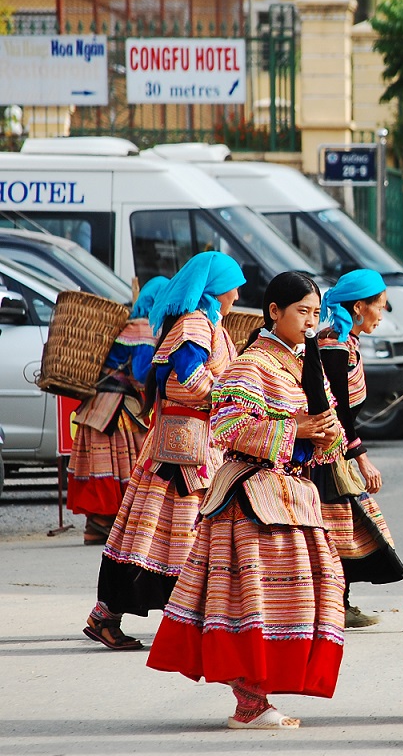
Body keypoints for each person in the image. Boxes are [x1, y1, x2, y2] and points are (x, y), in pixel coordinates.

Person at [147, 271, 346, 729]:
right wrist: (295, 428)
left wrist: (324, 432)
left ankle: (259, 697)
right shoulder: (252, 364)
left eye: (316, 314)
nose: (310, 322)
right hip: (252, 496)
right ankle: (250, 703)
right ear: (273, 312)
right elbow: (228, 428)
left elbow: (328, 429)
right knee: (251, 599)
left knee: (296, 595)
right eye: (302, 312)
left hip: (292, 494)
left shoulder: (300, 365)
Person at [82, 252, 245, 651]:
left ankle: (120, 615)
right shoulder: (194, 326)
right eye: (232, 287)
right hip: (181, 452)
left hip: (196, 446)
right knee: (162, 533)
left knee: (157, 534)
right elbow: (186, 378)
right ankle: (126, 617)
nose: (237, 296)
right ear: (214, 289)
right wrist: (231, 397)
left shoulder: (208, 326)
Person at [316, 269, 403, 628]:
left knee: (348, 529)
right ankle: (334, 605)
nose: (381, 316)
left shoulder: (345, 342)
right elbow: (337, 411)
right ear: (358, 307)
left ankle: (340, 603)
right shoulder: (334, 346)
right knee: (339, 530)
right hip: (325, 454)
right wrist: (362, 459)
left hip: (336, 450)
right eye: (378, 308)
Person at [67, 276, 168, 544]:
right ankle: (110, 525)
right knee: (128, 463)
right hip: (116, 409)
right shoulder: (144, 330)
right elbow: (142, 373)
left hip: (99, 407)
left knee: (104, 465)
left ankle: (98, 527)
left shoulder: (132, 326)